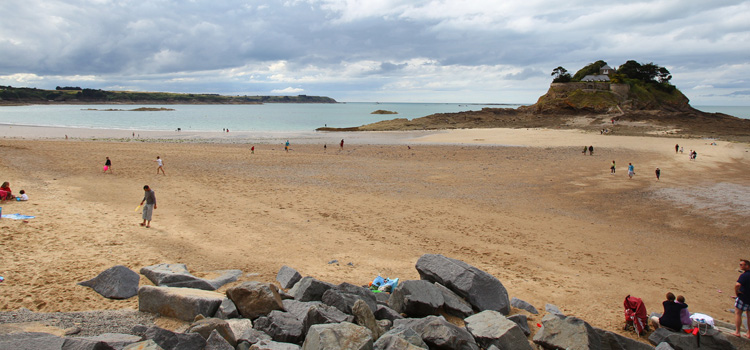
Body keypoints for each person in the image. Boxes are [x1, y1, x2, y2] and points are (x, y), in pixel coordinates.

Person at [734, 259, 750, 337]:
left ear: (747, 266)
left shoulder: (745, 275)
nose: (740, 266)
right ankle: (749, 333)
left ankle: (737, 331)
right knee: (749, 315)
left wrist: (737, 292)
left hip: (743, 297)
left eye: (742, 265)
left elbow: (737, 285)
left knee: (738, 312)